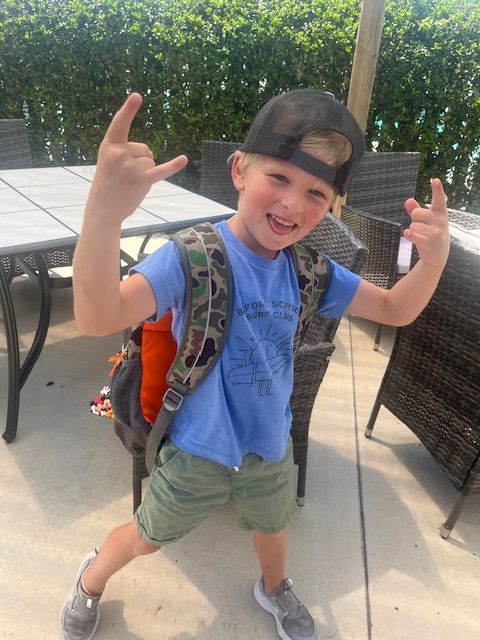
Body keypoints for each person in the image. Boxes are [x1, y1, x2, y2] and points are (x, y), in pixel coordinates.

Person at [61, 89, 450, 640]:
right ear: (240, 170)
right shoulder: (192, 257)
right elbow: (98, 314)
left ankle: (273, 587)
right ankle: (91, 578)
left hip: (270, 445)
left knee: (273, 525)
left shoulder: (311, 270)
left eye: (315, 192)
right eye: (280, 177)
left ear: (331, 204)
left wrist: (432, 263)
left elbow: (394, 309)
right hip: (197, 450)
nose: (293, 203)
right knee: (148, 535)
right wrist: (102, 217)